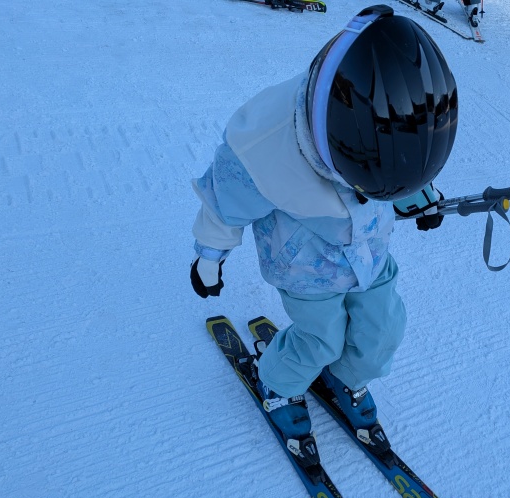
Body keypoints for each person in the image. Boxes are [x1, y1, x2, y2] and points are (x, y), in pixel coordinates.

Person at [189, 5, 458, 468]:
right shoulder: (265, 143)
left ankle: (345, 376)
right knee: (321, 340)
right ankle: (278, 380)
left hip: (371, 253)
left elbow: (399, 162)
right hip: (305, 268)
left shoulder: (386, 131)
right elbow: (224, 199)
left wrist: (416, 196)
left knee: (384, 331)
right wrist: (209, 254)